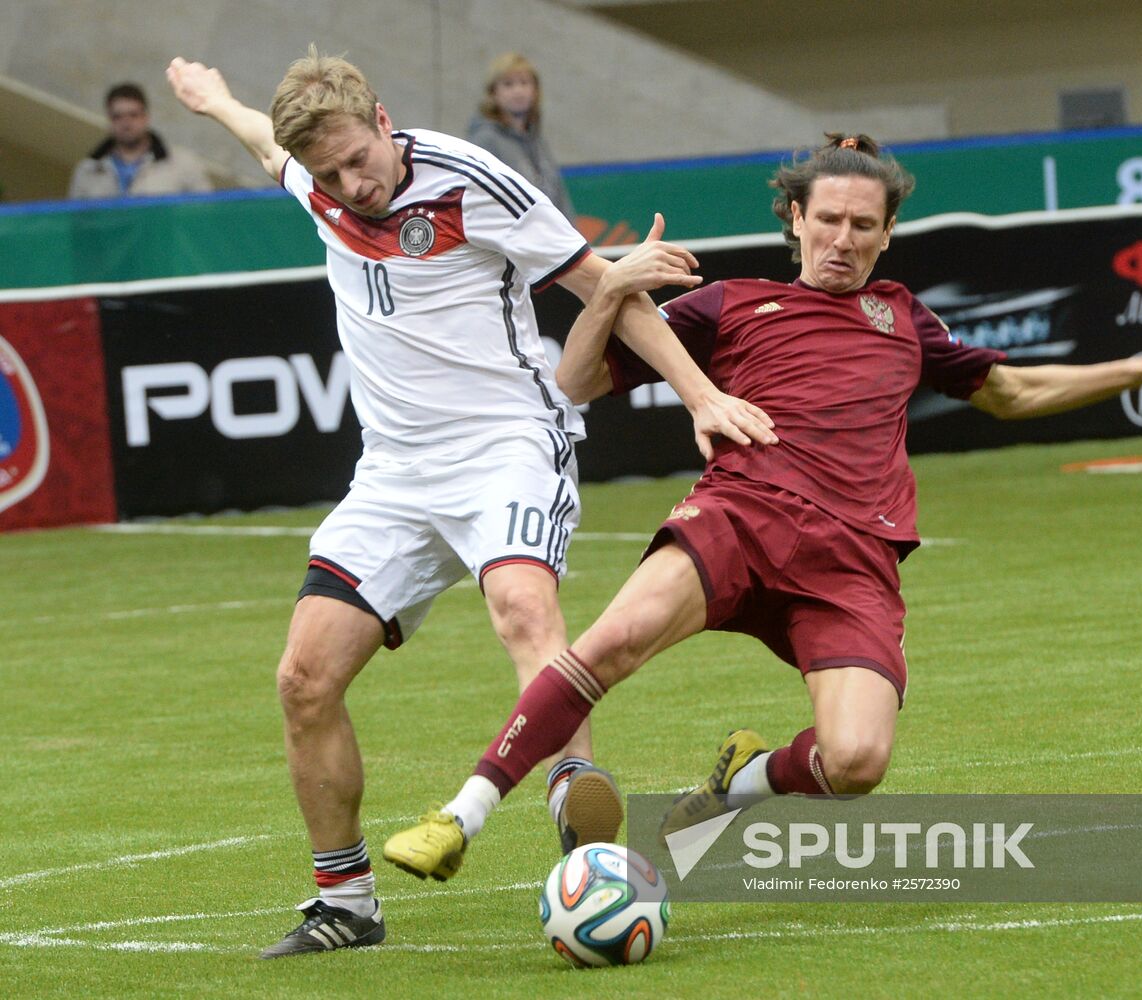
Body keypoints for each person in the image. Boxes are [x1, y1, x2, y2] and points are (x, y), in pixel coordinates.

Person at [390, 133, 1142, 877]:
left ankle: (737, 783)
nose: (842, 240)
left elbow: (1012, 392)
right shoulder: (729, 306)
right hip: (739, 518)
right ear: (794, 217)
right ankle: (459, 815)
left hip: (852, 561)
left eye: (862, 226)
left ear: (886, 233)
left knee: (857, 760)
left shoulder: (902, 318)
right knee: (606, 648)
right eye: (826, 220)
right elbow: (574, 382)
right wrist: (612, 287)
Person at [164, 47, 774, 959]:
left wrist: (699, 395)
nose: (347, 185)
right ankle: (348, 903)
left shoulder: (473, 179)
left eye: (355, 161)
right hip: (394, 473)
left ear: (381, 118)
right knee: (303, 679)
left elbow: (606, 284)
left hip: (507, 445)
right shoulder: (319, 179)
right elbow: (266, 147)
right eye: (326, 174)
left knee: (522, 607)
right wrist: (216, 101)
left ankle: (575, 795)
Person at [466, 53, 575, 220]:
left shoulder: (537, 140)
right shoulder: (485, 140)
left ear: (535, 90)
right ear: (493, 93)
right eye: (508, 84)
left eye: (524, 83)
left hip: (549, 237)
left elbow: (558, 196)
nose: (518, 91)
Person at [68, 83, 213, 199]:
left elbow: (205, 215)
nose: (126, 123)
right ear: (109, 120)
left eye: (133, 115)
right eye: (118, 117)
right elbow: (77, 225)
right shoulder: (88, 170)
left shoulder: (184, 165)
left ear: (146, 117)